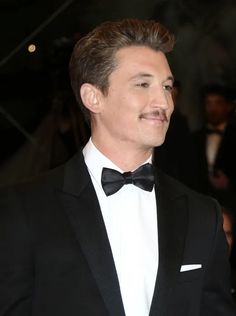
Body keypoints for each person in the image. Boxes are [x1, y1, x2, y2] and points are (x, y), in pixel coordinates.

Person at [0, 18, 235, 316]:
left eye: (167, 86)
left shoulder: (203, 215)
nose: (163, 101)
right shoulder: (22, 210)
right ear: (93, 97)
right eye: (143, 84)